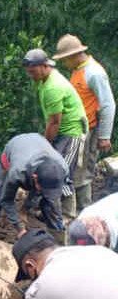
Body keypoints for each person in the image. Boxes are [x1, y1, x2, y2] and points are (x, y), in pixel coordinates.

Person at [23, 48, 87, 222]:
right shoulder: (44, 78)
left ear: (45, 66)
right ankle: (52, 210)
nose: (31, 75)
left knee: (61, 173)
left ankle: (67, 217)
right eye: (28, 72)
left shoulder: (53, 86)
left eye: (33, 71)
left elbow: (54, 122)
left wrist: (45, 145)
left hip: (71, 133)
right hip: (61, 131)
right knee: (54, 170)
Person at [53, 34, 116, 212]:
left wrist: (104, 136)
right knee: (74, 171)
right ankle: (75, 213)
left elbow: (108, 105)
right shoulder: (79, 69)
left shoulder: (94, 73)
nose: (64, 64)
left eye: (65, 60)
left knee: (81, 175)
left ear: (73, 56)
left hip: (87, 130)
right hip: (76, 130)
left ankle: (82, 212)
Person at [0, 133, 68, 240]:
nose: (46, 192)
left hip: (38, 143)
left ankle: (59, 244)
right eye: (43, 188)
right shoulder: (17, 171)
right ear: (35, 177)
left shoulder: (62, 169)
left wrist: (25, 209)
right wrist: (20, 228)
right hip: (15, 147)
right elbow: (6, 200)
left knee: (53, 207)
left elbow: (48, 196)